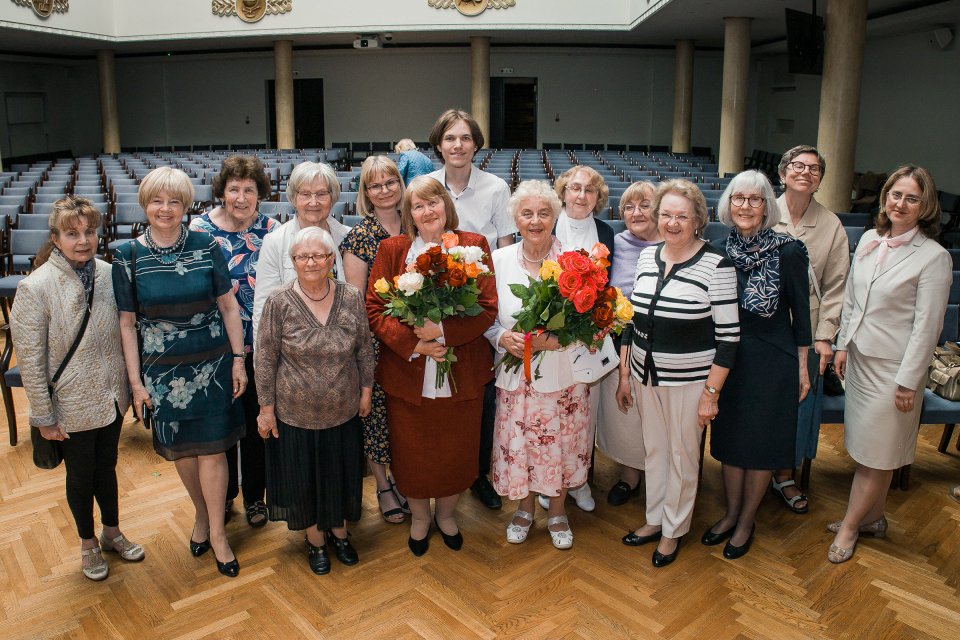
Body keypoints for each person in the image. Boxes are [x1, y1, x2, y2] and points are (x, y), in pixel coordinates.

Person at [113, 167, 247, 578]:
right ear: (145, 204)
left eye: (174, 201)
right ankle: (202, 516)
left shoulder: (207, 245)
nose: (165, 209)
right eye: (157, 200)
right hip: (162, 373)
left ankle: (219, 534)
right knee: (183, 453)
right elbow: (127, 324)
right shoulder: (127, 255)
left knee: (212, 450)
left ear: (186, 205)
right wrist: (136, 384)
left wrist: (239, 359)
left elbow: (228, 306)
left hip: (212, 365)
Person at [10, 197, 141, 581]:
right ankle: (87, 543)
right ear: (55, 238)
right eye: (71, 234)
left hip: (111, 394)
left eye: (89, 232)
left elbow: (124, 331)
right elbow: (31, 360)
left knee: (109, 468)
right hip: (70, 401)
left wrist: (131, 388)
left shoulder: (106, 272)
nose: (82, 240)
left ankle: (112, 531)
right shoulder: (35, 287)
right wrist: (43, 417)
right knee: (81, 476)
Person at [366, 175, 497, 557]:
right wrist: (416, 345)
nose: (427, 211)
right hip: (409, 374)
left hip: (462, 372)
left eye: (433, 202)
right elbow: (375, 308)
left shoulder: (473, 246)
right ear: (409, 214)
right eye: (418, 206)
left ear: (446, 205)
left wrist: (441, 330)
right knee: (413, 452)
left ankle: (448, 515)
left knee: (457, 448)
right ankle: (421, 517)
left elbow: (487, 308)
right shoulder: (393, 250)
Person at [829, 165, 951, 563]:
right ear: (885, 197)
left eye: (912, 198)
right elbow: (851, 300)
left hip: (895, 371)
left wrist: (908, 382)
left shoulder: (933, 257)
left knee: (877, 454)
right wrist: (843, 344)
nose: (901, 203)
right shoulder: (868, 238)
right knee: (869, 450)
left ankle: (849, 527)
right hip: (862, 361)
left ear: (925, 206)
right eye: (896, 194)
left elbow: (927, 327)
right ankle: (873, 517)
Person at [616, 179, 739, 568]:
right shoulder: (647, 256)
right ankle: (655, 518)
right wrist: (624, 374)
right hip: (643, 374)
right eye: (665, 215)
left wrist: (711, 394)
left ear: (698, 220)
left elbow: (730, 338)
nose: (672, 223)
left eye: (681, 216)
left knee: (683, 456)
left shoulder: (717, 264)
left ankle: (673, 530)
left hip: (690, 382)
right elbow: (632, 320)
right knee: (654, 449)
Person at [704, 170, 811, 561]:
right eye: (738, 199)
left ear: (767, 206)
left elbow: (802, 313)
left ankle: (747, 519)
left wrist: (803, 366)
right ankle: (730, 512)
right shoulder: (716, 248)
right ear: (728, 205)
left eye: (755, 199)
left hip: (773, 359)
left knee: (762, 444)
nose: (745, 206)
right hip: (729, 359)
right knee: (731, 442)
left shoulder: (789, 250)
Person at [256, 227, 375, 576]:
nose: (311, 262)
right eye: (303, 257)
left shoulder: (351, 296)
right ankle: (316, 541)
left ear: (330, 260)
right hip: (295, 413)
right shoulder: (278, 302)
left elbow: (364, 347)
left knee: (339, 474)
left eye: (319, 255)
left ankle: (339, 533)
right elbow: (265, 359)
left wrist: (366, 391)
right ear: (293, 262)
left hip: (344, 410)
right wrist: (266, 410)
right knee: (305, 479)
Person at [485, 180, 590, 550]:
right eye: (527, 213)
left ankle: (558, 511)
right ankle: (525, 508)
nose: (535, 220)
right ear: (515, 218)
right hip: (515, 378)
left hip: (563, 379)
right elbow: (487, 319)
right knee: (520, 446)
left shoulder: (574, 261)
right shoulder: (498, 261)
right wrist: (502, 338)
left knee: (560, 445)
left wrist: (558, 339)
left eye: (543, 213)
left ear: (555, 216)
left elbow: (590, 323)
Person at [428, 108, 515, 511]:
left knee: (481, 392)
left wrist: (494, 308)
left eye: (465, 138)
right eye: (450, 138)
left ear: (476, 144)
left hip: (481, 303)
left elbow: (505, 249)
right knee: (441, 394)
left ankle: (479, 473)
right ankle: (442, 470)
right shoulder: (424, 184)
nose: (458, 145)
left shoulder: (496, 187)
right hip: (434, 305)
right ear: (439, 145)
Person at [190, 155, 278, 528]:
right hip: (217, 344)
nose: (241, 197)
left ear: (260, 193)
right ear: (222, 192)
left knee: (257, 423)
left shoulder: (273, 229)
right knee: (222, 426)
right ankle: (223, 497)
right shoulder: (200, 229)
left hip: (261, 343)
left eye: (249, 189)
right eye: (233, 189)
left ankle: (256, 496)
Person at [770, 145, 849, 514]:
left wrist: (825, 337)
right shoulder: (763, 211)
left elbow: (836, 287)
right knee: (762, 402)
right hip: (765, 328)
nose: (805, 172)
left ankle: (784, 474)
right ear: (783, 172)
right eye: (797, 166)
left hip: (810, 329)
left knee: (799, 406)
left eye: (814, 169)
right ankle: (755, 468)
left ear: (819, 180)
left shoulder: (831, 225)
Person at [537, 164, 616, 513]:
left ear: (597, 197)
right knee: (551, 415)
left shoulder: (606, 232)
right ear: (563, 192)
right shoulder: (549, 225)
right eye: (575, 188)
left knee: (586, 415)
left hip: (588, 337)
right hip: (551, 336)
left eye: (589, 190)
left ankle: (579, 481)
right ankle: (549, 481)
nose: (581, 195)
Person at [340, 155, 409, 524]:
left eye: (390, 182)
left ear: (400, 184)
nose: (384, 191)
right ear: (366, 192)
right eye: (375, 185)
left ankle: (404, 478)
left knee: (404, 417)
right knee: (377, 417)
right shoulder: (359, 237)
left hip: (417, 342)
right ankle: (383, 484)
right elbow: (357, 302)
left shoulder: (416, 224)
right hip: (378, 342)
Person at [597, 180, 660, 507]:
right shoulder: (615, 242)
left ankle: (662, 472)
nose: (636, 213)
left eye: (645, 205)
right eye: (629, 207)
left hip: (663, 344)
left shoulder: (675, 243)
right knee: (626, 412)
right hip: (619, 340)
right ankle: (629, 475)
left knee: (658, 412)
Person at [252, 161, 351, 344]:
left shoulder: (348, 237)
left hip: (341, 349)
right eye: (305, 194)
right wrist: (264, 366)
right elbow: (263, 311)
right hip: (293, 354)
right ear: (294, 198)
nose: (313, 202)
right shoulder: (275, 242)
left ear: (333, 197)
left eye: (321, 194)